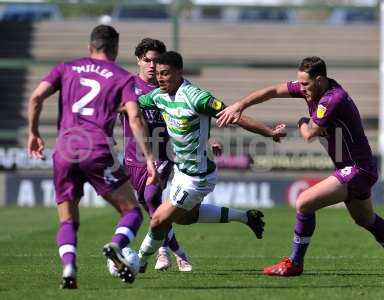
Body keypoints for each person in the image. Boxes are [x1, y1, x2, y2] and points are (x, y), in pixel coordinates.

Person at [216, 56, 384, 276]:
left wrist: (302, 120)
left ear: (320, 80)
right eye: (299, 83)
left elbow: (309, 133)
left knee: (304, 202)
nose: (301, 89)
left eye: (305, 84)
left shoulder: (332, 99)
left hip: (357, 168)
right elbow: (274, 91)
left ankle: (294, 263)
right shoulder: (313, 89)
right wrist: (239, 105)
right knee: (365, 219)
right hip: (358, 167)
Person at [27, 25, 157, 288]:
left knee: (67, 219)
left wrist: (34, 133)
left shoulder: (66, 68)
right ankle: (117, 245)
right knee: (132, 211)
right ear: (115, 49)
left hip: (64, 150)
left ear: (90, 47)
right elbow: (134, 116)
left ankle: (68, 268)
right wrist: (150, 159)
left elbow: (36, 97)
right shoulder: (121, 77)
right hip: (96, 148)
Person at [135, 51, 286, 271]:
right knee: (185, 219)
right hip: (181, 171)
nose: (160, 78)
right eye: (158, 74)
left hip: (198, 177)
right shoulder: (158, 95)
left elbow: (235, 116)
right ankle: (246, 217)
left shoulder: (197, 97)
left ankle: (136, 264)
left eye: (166, 73)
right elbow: (133, 103)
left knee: (159, 220)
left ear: (179, 72)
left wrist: (269, 132)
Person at [113, 38, 192, 272]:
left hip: (162, 156)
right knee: (151, 209)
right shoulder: (127, 86)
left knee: (151, 199)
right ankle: (175, 252)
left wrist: (208, 141)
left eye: (156, 61)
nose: (151, 65)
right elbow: (110, 109)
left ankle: (165, 253)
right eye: (146, 60)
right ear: (138, 60)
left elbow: (189, 117)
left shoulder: (170, 87)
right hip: (132, 160)